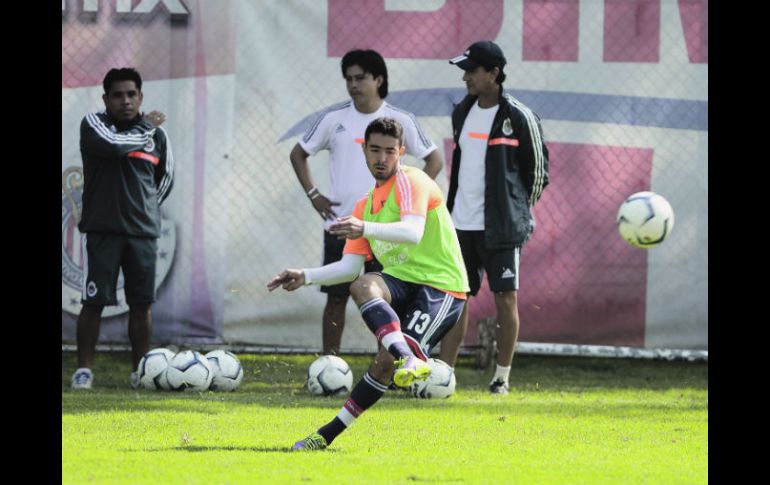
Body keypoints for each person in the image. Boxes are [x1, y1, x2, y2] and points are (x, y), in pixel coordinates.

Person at [269, 117, 469, 451]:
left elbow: (412, 231)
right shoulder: (366, 204)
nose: (382, 158)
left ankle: (328, 432)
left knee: (382, 364)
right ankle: (408, 358)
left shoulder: (412, 180)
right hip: (402, 282)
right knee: (362, 285)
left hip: (440, 288)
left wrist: (364, 228)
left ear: (401, 152)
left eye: (390, 151)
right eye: (375, 149)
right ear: (364, 150)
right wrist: (305, 276)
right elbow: (349, 268)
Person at [289, 49, 443, 356]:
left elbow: (435, 160)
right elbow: (298, 153)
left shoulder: (400, 120)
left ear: (379, 79)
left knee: (384, 298)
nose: (353, 85)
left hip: (386, 231)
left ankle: (389, 365)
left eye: (360, 78)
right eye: (348, 79)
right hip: (343, 224)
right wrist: (313, 195)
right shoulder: (334, 120)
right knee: (336, 296)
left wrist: (407, 201)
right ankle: (328, 362)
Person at [438, 41, 549, 394]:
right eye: (465, 71)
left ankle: (501, 377)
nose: (466, 77)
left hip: (501, 230)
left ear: (494, 73)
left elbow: (538, 173)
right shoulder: (462, 111)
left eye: (472, 71)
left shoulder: (519, 116)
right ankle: (445, 374)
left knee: (505, 299)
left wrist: (515, 213)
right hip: (460, 224)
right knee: (457, 296)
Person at [70, 67, 175, 389]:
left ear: (140, 97)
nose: (125, 101)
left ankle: (140, 371)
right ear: (106, 99)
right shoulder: (94, 124)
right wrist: (146, 124)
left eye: (132, 94)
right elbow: (117, 145)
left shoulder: (158, 137)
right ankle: (84, 370)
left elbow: (165, 180)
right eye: (118, 95)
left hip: (143, 232)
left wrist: (142, 209)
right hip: (104, 230)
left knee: (141, 304)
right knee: (94, 301)